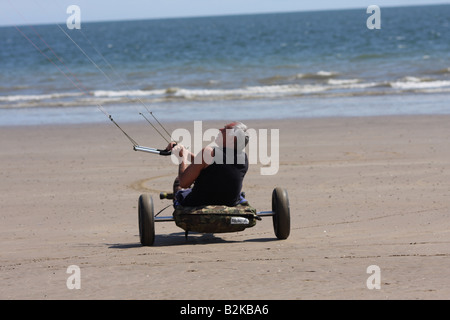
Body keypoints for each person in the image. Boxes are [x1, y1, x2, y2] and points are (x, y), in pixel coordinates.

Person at [165, 121, 249, 207]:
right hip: (229, 204)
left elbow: (184, 183)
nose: (220, 129)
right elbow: (210, 165)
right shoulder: (244, 158)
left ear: (233, 138)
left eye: (225, 129)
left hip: (197, 204)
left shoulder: (208, 152)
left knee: (178, 182)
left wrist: (182, 158)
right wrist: (186, 154)